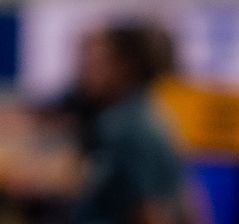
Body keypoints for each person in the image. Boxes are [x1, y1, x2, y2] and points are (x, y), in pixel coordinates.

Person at [69, 22, 190, 224]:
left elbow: (151, 211)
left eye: (98, 62)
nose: (84, 69)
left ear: (126, 67)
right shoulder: (147, 112)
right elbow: (186, 195)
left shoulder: (127, 127)